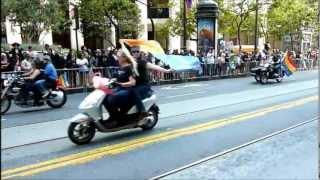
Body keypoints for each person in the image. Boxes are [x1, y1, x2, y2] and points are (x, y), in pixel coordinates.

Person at [129, 45, 173, 120]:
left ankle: (142, 111)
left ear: (140, 52)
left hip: (143, 85)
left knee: (133, 92)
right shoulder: (129, 62)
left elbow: (154, 66)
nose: (136, 53)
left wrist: (166, 71)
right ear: (131, 53)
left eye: (137, 51)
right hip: (133, 84)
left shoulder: (142, 62)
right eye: (134, 52)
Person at [102, 48, 137, 126]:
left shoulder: (129, 68)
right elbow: (114, 78)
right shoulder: (120, 67)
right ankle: (114, 116)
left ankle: (120, 118)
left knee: (112, 98)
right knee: (104, 97)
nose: (117, 57)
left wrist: (121, 84)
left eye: (118, 56)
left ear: (124, 58)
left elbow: (132, 82)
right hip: (119, 89)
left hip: (128, 90)